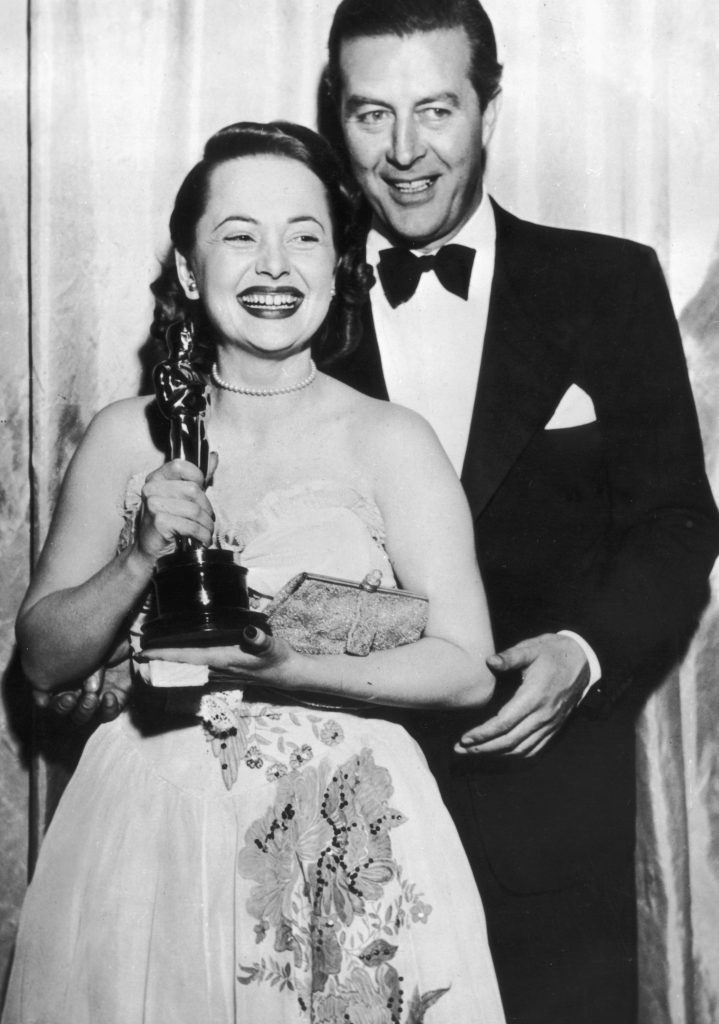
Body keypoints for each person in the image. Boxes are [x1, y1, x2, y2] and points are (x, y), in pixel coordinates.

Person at [3, 121, 507, 1024]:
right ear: (191, 272)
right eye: (240, 235)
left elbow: (468, 665)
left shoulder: (393, 441)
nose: (274, 265)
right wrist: (138, 556)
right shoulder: (129, 434)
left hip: (350, 829)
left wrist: (290, 672)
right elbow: (41, 658)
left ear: (338, 265)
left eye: (303, 236)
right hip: (151, 828)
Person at [318, 2, 719, 1023]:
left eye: (435, 110)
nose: (404, 153)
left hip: (550, 818)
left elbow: (676, 521)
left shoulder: (608, 282)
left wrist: (583, 650)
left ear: (487, 109)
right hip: (336, 814)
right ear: (336, 119)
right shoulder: (291, 297)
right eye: (371, 116)